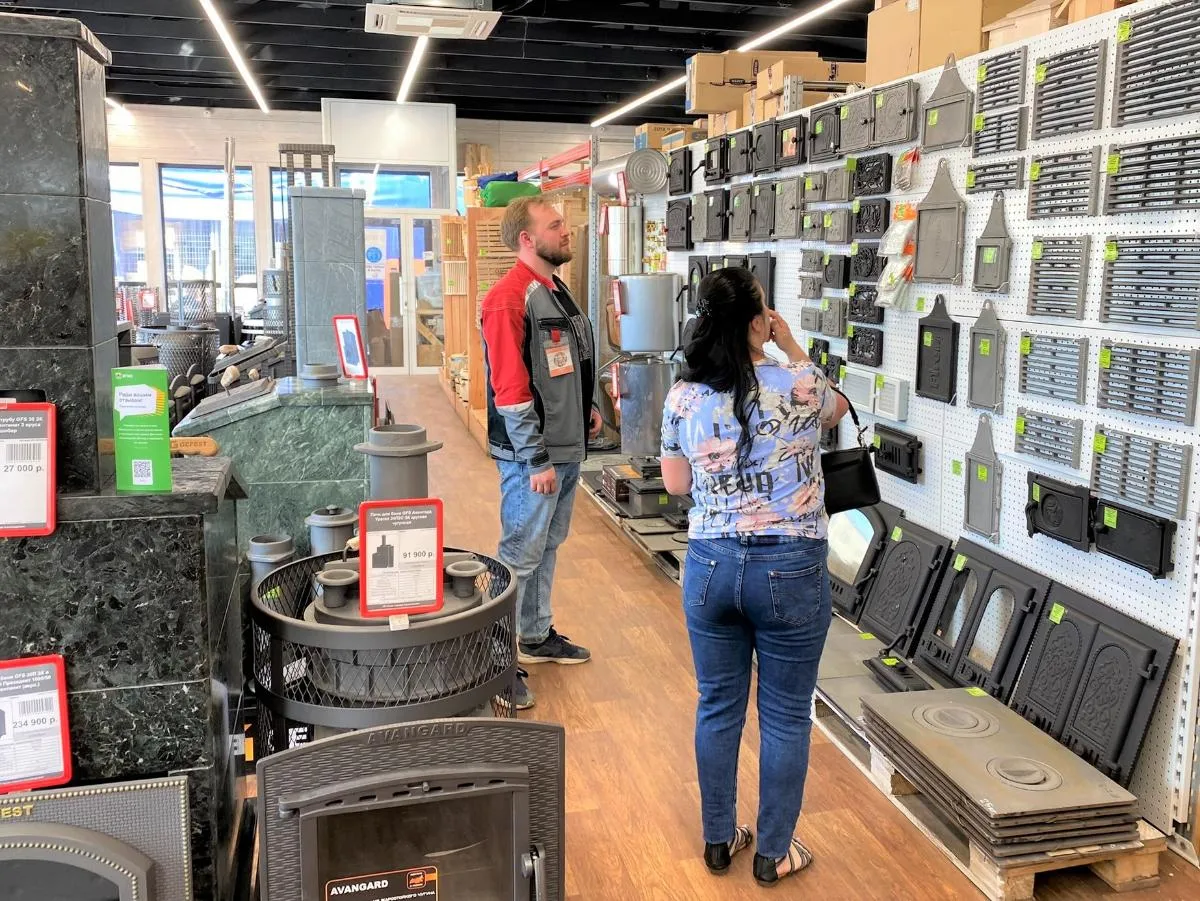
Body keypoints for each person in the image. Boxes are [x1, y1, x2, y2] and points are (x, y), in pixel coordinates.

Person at [660, 267, 849, 887]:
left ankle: (719, 841)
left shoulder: (684, 395)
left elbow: (676, 484)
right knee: (786, 714)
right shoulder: (800, 383)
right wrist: (789, 344)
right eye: (764, 309)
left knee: (717, 705)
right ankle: (774, 854)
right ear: (755, 321)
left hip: (711, 563)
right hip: (791, 565)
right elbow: (839, 409)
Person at [481, 196, 603, 710]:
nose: (566, 231)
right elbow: (510, 390)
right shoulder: (509, 299)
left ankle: (533, 633)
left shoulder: (555, 289)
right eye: (556, 225)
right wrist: (535, 459)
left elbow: (565, 362)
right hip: (532, 456)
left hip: (565, 445)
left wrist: (587, 407)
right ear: (527, 239)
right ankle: (493, 662)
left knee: (547, 544)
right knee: (519, 554)